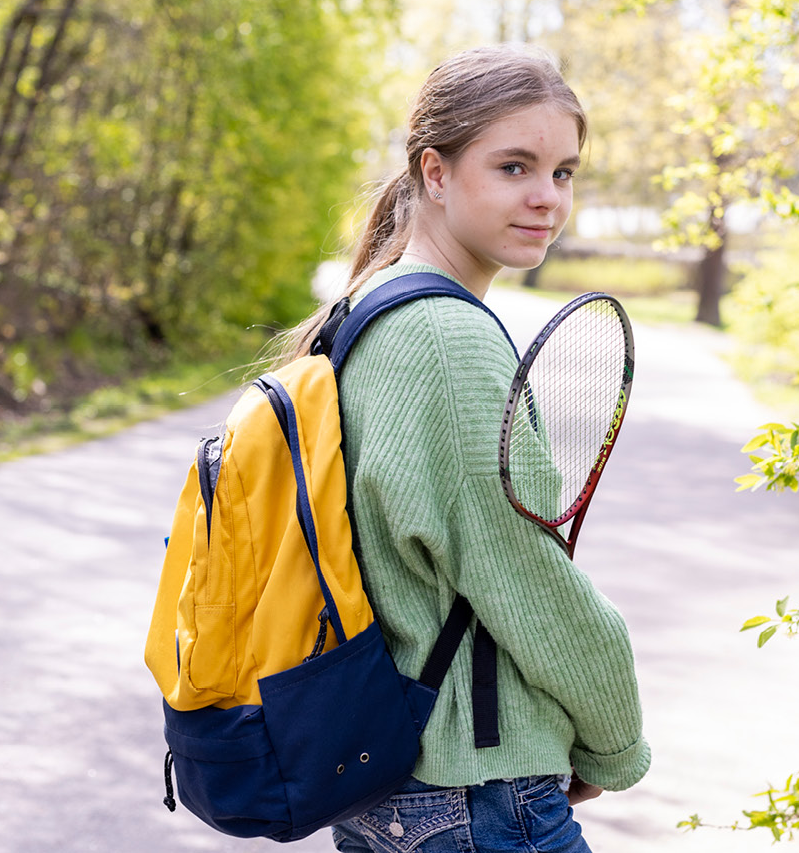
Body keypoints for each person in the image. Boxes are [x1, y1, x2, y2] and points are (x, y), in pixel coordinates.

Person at [278, 45, 650, 852]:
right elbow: (528, 583)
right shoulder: (447, 341)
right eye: (514, 166)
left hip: (391, 783)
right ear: (435, 173)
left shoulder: (368, 306)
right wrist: (614, 742)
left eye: (564, 172)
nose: (547, 198)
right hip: (474, 793)